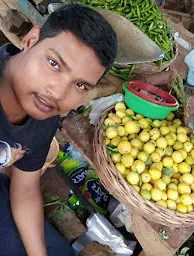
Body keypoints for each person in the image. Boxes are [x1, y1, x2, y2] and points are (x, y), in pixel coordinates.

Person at [0, 3, 117, 256]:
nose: (58, 93)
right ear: (30, 41)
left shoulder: (43, 117)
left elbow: (25, 187)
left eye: (79, 85)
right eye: (54, 63)